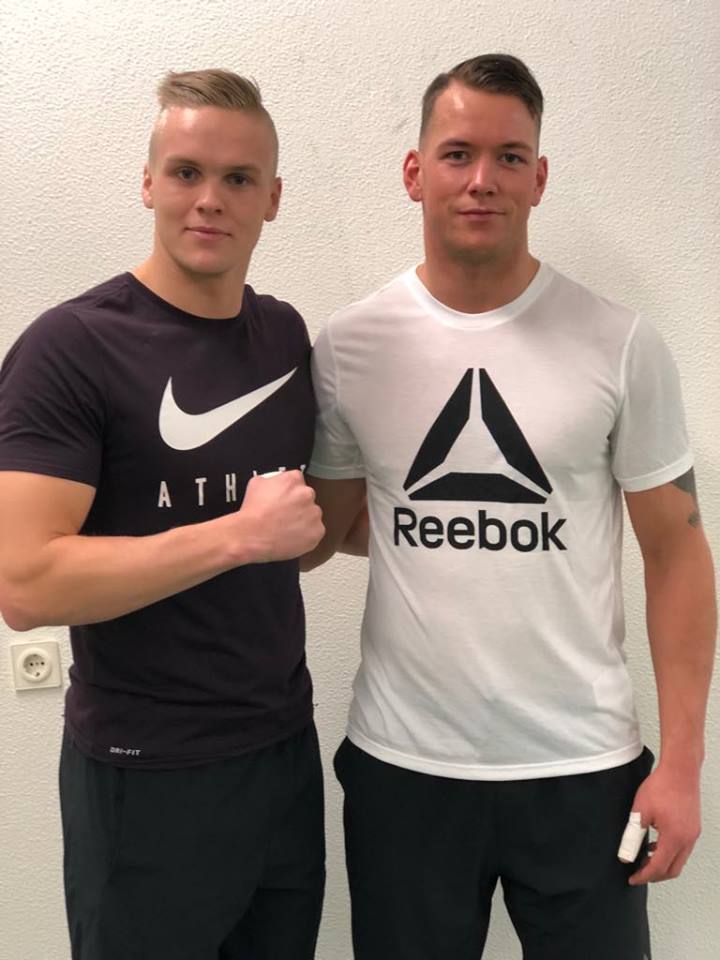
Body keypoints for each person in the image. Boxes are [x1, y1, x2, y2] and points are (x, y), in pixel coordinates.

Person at [302, 54, 716, 960]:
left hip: (584, 771)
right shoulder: (348, 347)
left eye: (509, 157)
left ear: (540, 176)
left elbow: (678, 551)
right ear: (415, 172)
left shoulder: (621, 343)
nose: (482, 179)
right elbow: (330, 528)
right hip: (404, 771)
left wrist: (683, 765)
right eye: (457, 154)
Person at [0, 69, 326, 960]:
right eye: (186, 172)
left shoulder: (284, 336)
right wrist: (237, 537)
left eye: (238, 178)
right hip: (144, 776)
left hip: (282, 756)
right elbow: (25, 583)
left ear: (273, 199)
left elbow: (305, 529)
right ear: (148, 183)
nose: (209, 199)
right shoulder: (71, 347)